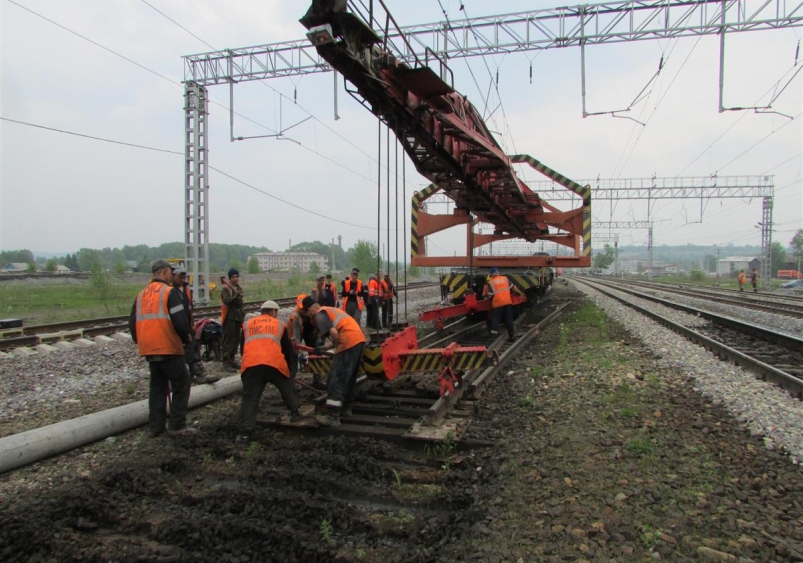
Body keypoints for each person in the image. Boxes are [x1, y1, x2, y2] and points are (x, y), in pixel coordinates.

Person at [128, 259, 197, 437]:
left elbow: (132, 322)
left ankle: (156, 427)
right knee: (182, 383)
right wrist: (187, 338)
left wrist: (141, 341)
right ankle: (177, 425)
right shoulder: (169, 293)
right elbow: (180, 322)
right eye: (171, 272)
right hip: (168, 347)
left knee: (157, 387)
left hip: (149, 348)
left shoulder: (141, 294)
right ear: (165, 272)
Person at [235, 300, 301, 444]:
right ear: (274, 312)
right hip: (274, 364)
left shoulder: (247, 325)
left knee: (249, 399)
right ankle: (295, 412)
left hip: (251, 365)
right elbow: (287, 351)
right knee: (287, 388)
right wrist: (289, 372)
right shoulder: (279, 325)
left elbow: (243, 348)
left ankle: (244, 435)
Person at [302, 296, 366, 428]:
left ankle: (332, 416)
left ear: (309, 310)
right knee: (349, 378)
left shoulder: (319, 314)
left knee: (335, 378)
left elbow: (334, 333)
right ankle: (346, 408)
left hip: (348, 342)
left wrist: (338, 348)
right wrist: (324, 348)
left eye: (308, 315)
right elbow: (340, 331)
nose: (310, 318)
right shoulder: (330, 309)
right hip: (358, 340)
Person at [172, 268, 220, 385]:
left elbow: (188, 309)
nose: (182, 279)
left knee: (191, 349)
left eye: (184, 277)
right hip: (177, 327)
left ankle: (194, 375)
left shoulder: (185, 289)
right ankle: (196, 375)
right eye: (180, 277)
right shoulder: (170, 291)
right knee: (185, 352)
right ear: (173, 276)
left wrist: (191, 324)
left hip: (186, 324)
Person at [486, 268, 521, 342]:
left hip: (497, 303)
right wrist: (518, 293)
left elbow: (490, 295)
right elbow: (513, 288)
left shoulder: (491, 282)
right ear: (498, 273)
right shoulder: (505, 279)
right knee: (509, 319)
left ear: (492, 274)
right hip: (507, 302)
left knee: (496, 319)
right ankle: (512, 336)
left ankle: (493, 337)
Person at [220, 268, 245, 371]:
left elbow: (239, 303)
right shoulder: (226, 289)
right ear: (229, 278)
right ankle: (226, 361)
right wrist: (235, 296)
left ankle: (232, 359)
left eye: (236, 276)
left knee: (236, 339)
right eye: (233, 277)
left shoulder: (239, 288)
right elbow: (227, 302)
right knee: (229, 339)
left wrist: (237, 296)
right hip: (229, 317)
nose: (235, 279)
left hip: (238, 316)